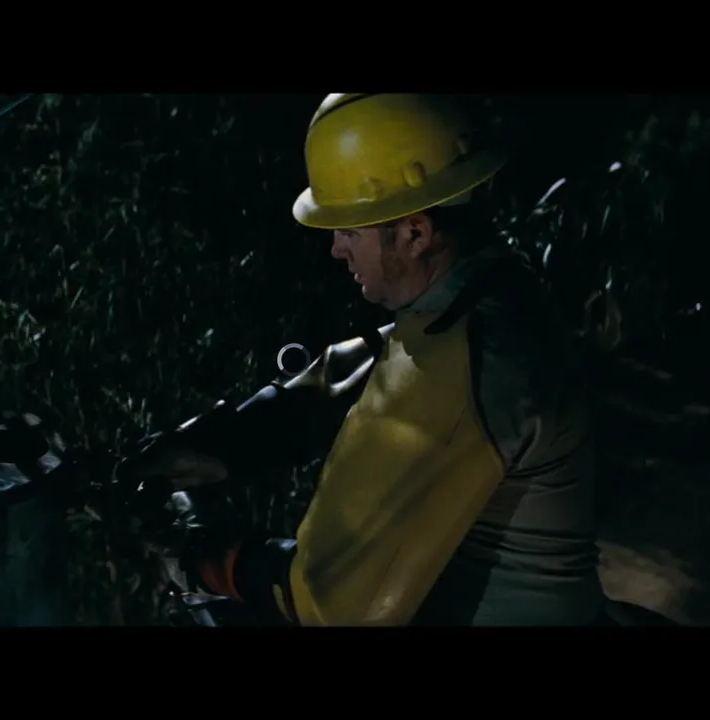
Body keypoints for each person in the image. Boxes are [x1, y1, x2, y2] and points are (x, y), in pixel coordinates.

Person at [121, 93, 603, 626]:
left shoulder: (467, 360)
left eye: (350, 230)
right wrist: (222, 442)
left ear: (415, 232)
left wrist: (200, 557)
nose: (336, 249)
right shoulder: (490, 295)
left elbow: (325, 600)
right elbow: (359, 372)